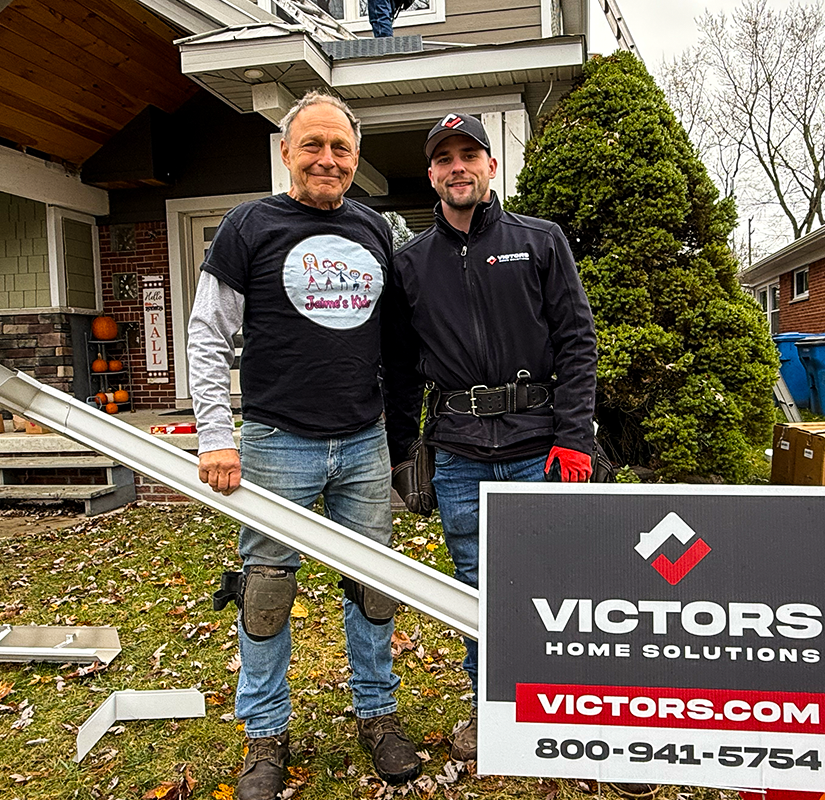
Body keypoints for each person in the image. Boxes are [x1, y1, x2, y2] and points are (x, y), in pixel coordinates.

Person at [188, 90, 422, 799]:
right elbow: (207, 333)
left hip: (362, 440)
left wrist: (402, 441)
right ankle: (265, 735)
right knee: (265, 592)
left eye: (341, 148)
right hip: (272, 440)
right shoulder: (247, 225)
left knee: (374, 589)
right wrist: (215, 435)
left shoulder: (376, 231)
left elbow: (403, 345)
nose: (327, 159)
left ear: (356, 159)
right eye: (313, 145)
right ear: (286, 151)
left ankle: (377, 716)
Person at [384, 112, 598, 761]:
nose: (457, 167)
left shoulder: (541, 241)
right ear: (431, 175)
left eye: (468, 154)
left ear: (490, 166)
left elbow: (577, 342)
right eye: (444, 158)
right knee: (477, 594)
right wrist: (400, 455)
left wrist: (576, 437)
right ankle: (495, 713)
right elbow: (397, 369)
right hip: (459, 458)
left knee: (557, 589)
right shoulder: (410, 264)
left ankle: (571, 716)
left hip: (540, 449)